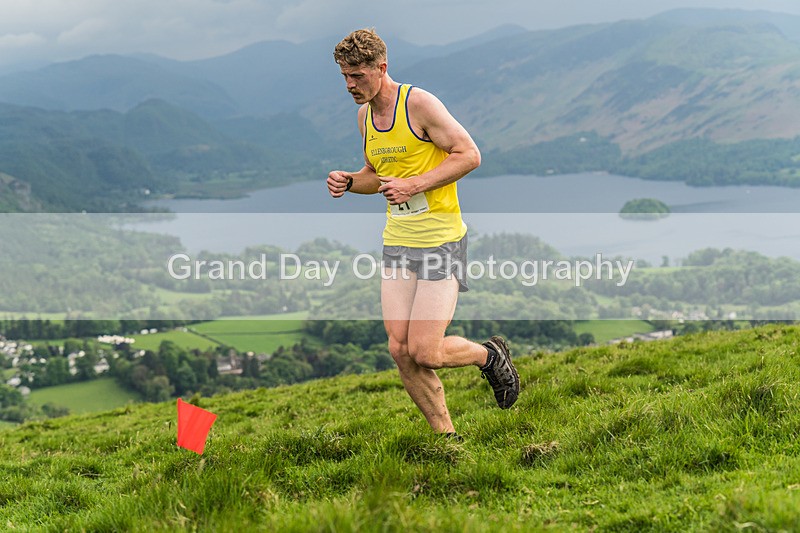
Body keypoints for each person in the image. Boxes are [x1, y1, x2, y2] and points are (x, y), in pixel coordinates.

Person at [327, 28, 519, 437]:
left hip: (441, 241)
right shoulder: (364, 117)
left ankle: (488, 356)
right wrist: (348, 180)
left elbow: (469, 155)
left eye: (357, 75)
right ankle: (446, 437)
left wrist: (415, 185)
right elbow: (376, 177)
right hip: (397, 242)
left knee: (426, 350)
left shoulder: (418, 104)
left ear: (382, 68)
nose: (349, 85)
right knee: (400, 349)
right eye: (344, 76)